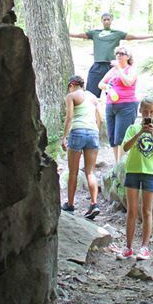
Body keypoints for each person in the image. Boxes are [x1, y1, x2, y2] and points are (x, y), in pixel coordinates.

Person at [119, 97, 153, 261]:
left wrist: (152, 134)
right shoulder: (132, 129)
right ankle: (128, 247)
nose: (148, 114)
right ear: (140, 112)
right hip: (132, 171)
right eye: (145, 112)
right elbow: (125, 147)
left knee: (147, 210)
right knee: (132, 210)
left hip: (150, 172)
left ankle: (145, 247)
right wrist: (140, 132)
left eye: (151, 112)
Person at [69, 12, 153, 95]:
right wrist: (67, 34)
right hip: (97, 66)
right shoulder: (95, 33)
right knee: (91, 92)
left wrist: (151, 36)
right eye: (104, 19)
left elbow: (133, 37)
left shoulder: (117, 33)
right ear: (101, 20)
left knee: (114, 92)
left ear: (111, 20)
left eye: (108, 19)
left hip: (112, 66)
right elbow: (79, 35)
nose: (106, 21)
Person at [61, 75, 102, 219]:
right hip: (93, 133)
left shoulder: (71, 96)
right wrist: (95, 130)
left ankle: (70, 204)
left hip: (77, 132)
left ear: (72, 85)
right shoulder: (92, 97)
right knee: (90, 172)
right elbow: (100, 118)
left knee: (73, 171)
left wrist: (64, 136)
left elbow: (70, 117)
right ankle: (94, 203)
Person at [99, 47, 139, 163]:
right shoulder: (112, 71)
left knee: (122, 137)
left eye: (122, 53)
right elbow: (100, 83)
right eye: (117, 53)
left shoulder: (131, 69)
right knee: (112, 138)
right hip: (111, 105)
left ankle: (122, 165)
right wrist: (106, 87)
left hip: (126, 105)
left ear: (128, 57)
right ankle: (117, 164)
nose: (119, 55)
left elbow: (128, 82)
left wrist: (119, 69)